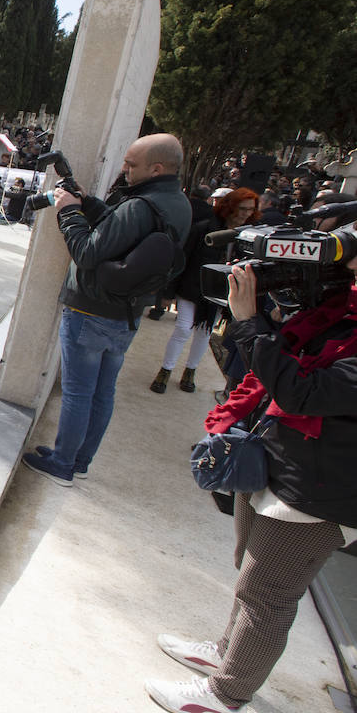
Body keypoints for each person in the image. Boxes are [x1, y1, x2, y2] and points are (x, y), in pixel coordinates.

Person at [145, 255, 357, 713]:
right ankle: (226, 653)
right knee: (249, 571)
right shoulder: (342, 307)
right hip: (281, 462)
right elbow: (284, 361)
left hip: (321, 493)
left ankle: (226, 695)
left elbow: (300, 391)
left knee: (267, 597)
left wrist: (250, 323)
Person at [21, 133, 192, 485]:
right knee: (102, 392)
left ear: (156, 168)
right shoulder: (175, 202)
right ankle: (79, 461)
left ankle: (63, 464)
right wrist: (89, 203)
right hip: (126, 313)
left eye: (132, 165)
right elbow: (123, 236)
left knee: (79, 392)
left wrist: (68, 210)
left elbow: (86, 253)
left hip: (91, 312)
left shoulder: (139, 205)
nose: (125, 169)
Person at [150, 188, 260, 394]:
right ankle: (166, 370)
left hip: (220, 295)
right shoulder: (205, 229)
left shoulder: (248, 237)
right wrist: (167, 292)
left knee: (204, 333)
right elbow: (183, 259)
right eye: (242, 208)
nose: (246, 213)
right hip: (192, 288)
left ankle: (190, 371)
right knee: (183, 328)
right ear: (230, 206)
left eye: (250, 210)